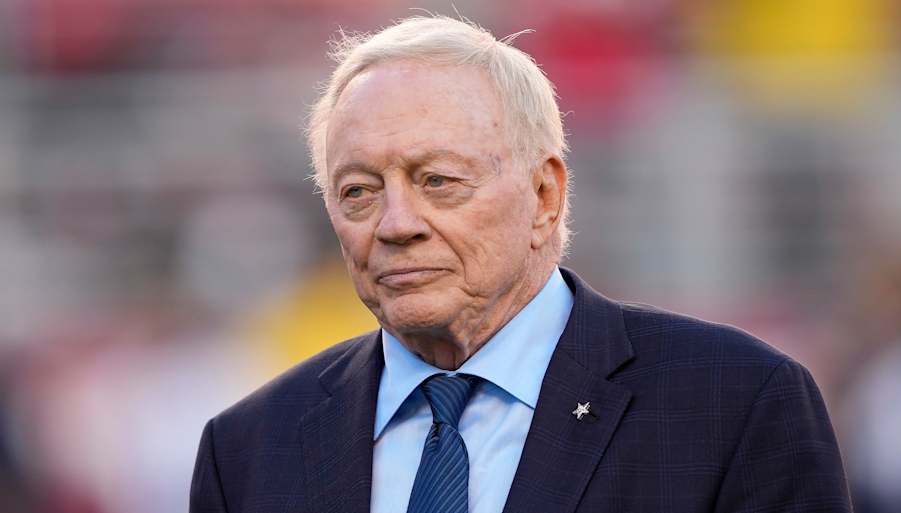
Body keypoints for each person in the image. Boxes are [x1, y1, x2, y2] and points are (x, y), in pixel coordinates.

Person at [190, 15, 852, 513]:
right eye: (358, 191)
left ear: (544, 196)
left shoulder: (731, 402)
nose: (395, 223)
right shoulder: (248, 449)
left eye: (438, 180)